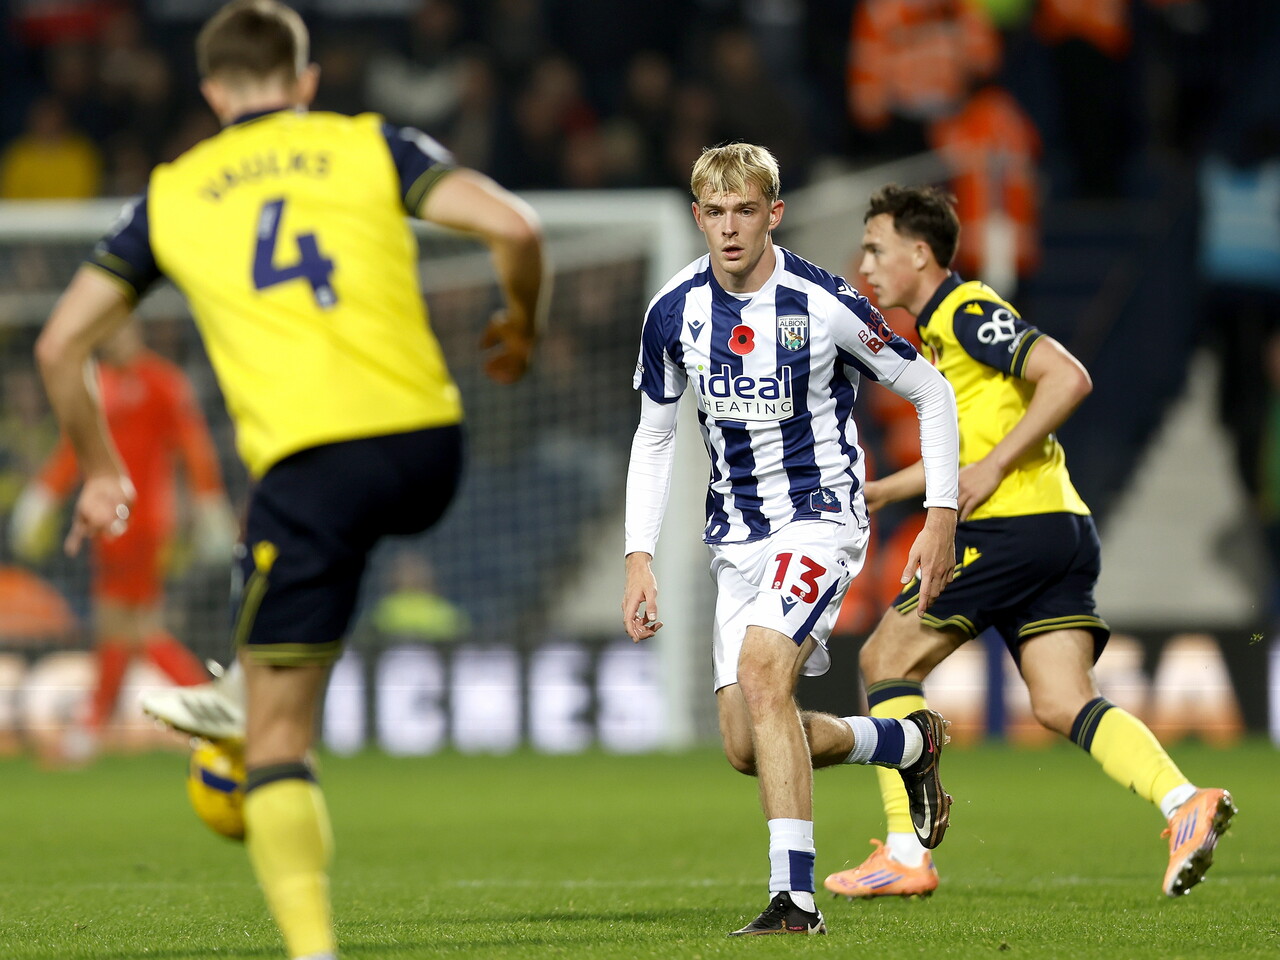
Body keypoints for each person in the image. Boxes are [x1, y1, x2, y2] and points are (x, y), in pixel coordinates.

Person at [34, 3, 545, 959]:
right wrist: (520, 328)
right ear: (305, 82)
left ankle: (306, 929)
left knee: (276, 741)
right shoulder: (368, 145)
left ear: (212, 92)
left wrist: (101, 470)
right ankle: (246, 685)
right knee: (290, 598)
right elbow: (516, 229)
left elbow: (61, 345)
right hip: (431, 445)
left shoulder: (174, 192)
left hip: (314, 463)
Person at [823, 184, 1235, 902]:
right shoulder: (938, 337)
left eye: (876, 248)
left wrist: (991, 466)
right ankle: (1184, 804)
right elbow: (972, 444)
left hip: (1011, 528)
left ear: (920, 254)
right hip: (1059, 529)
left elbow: (1066, 377)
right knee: (1062, 700)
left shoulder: (965, 310)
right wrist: (882, 492)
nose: (864, 265)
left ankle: (904, 852)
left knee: (886, 658)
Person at [621, 143, 961, 936]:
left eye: (747, 210)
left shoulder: (824, 302)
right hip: (733, 539)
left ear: (774, 213)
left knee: (764, 673)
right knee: (748, 744)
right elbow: (655, 437)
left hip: (820, 517)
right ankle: (905, 744)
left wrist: (940, 516)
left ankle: (794, 901)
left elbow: (930, 389)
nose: (731, 228)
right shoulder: (673, 312)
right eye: (716, 212)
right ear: (697, 216)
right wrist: (639, 557)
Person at [10, 319, 237, 763]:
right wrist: (45, 495)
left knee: (127, 626)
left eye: (118, 330)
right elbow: (75, 448)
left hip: (146, 522)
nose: (112, 338)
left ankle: (95, 729)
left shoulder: (162, 382)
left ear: (136, 331)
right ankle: (207, 711)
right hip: (107, 521)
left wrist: (209, 503)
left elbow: (194, 445)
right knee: (127, 629)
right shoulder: (99, 383)